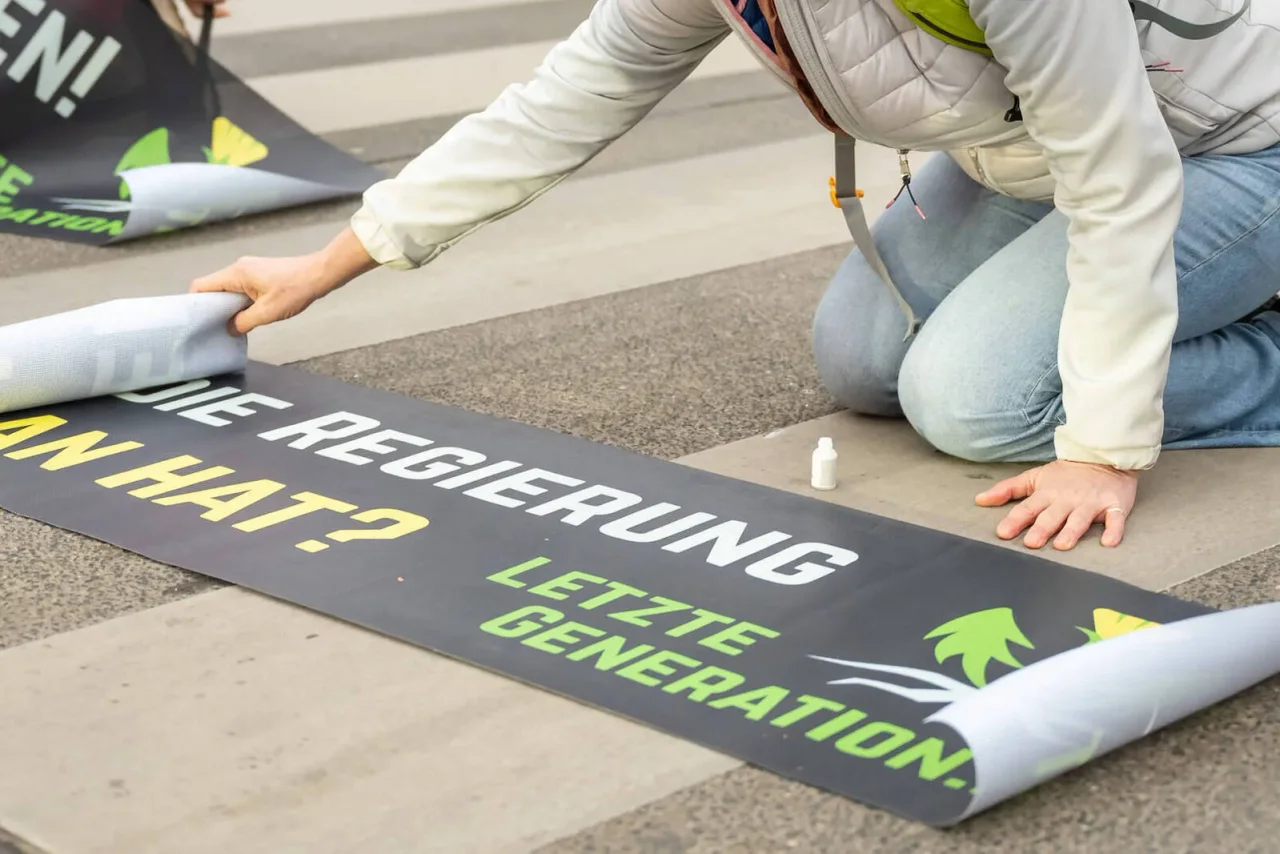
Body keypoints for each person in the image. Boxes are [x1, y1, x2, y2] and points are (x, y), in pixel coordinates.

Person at [189, 0, 1280, 553]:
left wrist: (1097, 447)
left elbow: (1119, 174)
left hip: (1229, 144)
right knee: (859, 358)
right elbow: (567, 97)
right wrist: (335, 259)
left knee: (976, 400)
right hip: (1027, 155)